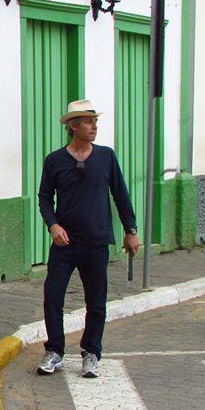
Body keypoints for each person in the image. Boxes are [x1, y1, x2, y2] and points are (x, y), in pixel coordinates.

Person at [35, 99, 139, 378]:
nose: (94, 126)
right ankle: (55, 350)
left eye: (95, 122)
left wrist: (131, 230)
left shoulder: (106, 156)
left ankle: (91, 352)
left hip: (96, 240)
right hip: (65, 243)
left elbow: (121, 194)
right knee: (53, 296)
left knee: (96, 300)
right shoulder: (55, 160)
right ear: (73, 126)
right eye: (88, 122)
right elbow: (44, 198)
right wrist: (52, 225)